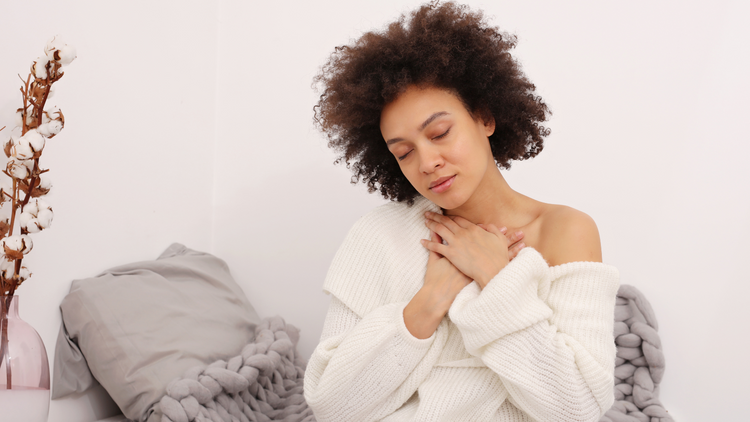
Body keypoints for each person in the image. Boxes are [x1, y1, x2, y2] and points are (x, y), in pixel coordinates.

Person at [304, 2, 619, 421]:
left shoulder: (565, 231)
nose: (427, 162)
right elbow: (332, 406)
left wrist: (498, 278)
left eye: (440, 133)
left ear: (485, 118)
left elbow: (577, 408)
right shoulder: (379, 234)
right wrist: (431, 298)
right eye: (404, 152)